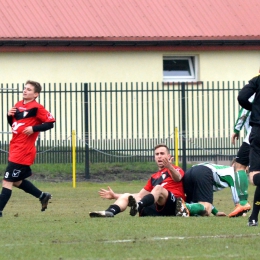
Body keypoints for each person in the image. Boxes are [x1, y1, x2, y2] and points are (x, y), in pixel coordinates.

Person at [89, 144, 206, 218]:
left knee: (158, 189)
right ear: (154, 157)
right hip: (156, 206)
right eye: (157, 154)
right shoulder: (154, 177)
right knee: (127, 195)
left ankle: (139, 206)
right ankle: (110, 212)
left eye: (162, 154)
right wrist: (115, 195)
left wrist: (170, 167)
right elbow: (140, 195)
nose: (159, 156)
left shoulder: (175, 169)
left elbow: (178, 178)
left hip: (175, 204)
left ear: (169, 156)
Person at [0, 80, 56, 217]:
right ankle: (42, 195)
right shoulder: (18, 105)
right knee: (16, 180)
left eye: (29, 89)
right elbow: (14, 126)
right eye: (25, 88)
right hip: (15, 147)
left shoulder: (37, 107)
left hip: (24, 151)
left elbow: (51, 123)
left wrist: (34, 128)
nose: (25, 91)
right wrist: (9, 116)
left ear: (36, 94)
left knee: (7, 180)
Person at [183, 162, 250, 217]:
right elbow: (238, 199)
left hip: (189, 172)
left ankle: (182, 205)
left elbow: (205, 197)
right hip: (203, 171)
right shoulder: (233, 172)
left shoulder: (223, 170)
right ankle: (184, 205)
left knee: (198, 210)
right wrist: (242, 211)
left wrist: (216, 212)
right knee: (206, 209)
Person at [238, 73, 260, 226]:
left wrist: (254, 108)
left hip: (258, 131)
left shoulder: (257, 79)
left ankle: (253, 217)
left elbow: (242, 97)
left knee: (255, 177)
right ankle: (253, 217)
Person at [228, 95, 255, 217]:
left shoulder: (255, 90)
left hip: (255, 134)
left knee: (239, 166)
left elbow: (244, 111)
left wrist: (236, 129)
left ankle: (243, 202)